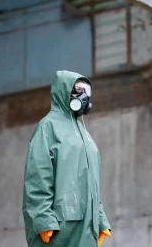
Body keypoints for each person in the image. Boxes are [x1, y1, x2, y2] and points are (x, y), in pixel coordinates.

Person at [22, 70, 111, 247]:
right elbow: (37, 176)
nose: (84, 96)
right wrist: (42, 219)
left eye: (86, 91)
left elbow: (91, 181)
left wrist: (100, 219)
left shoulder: (84, 133)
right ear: (63, 91)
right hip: (60, 229)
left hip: (86, 227)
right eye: (78, 90)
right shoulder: (48, 127)